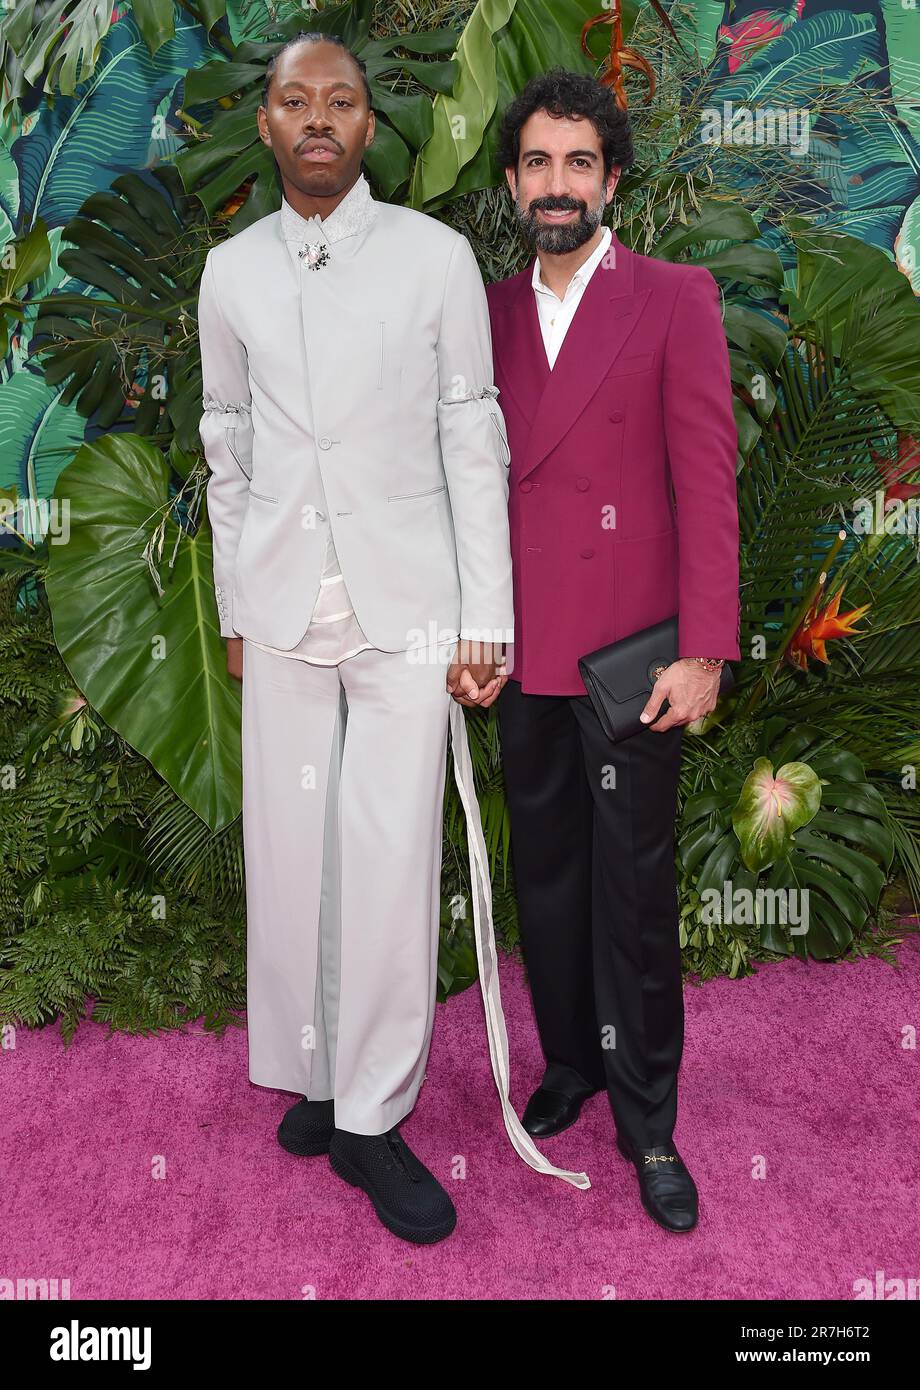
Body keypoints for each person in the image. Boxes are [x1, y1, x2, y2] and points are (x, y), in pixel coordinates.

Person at [197, 35, 589, 1248]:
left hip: (410, 611)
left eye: (341, 101)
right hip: (282, 609)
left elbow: (471, 435)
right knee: (293, 856)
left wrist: (485, 618)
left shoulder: (432, 259)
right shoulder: (228, 272)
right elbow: (226, 443)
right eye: (294, 100)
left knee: (386, 860)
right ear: (267, 125)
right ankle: (319, 1075)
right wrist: (234, 608)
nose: (317, 118)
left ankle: (372, 1114)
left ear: (371, 128)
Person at [486, 70, 741, 1233]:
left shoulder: (674, 297)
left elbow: (707, 481)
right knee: (544, 878)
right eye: (537, 162)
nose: (557, 184)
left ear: (611, 181)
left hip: (633, 660)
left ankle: (648, 1121)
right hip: (518, 651)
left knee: (632, 895)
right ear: (511, 183)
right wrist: (464, 629)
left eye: (577, 163)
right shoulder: (482, 312)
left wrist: (706, 650)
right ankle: (570, 1064)